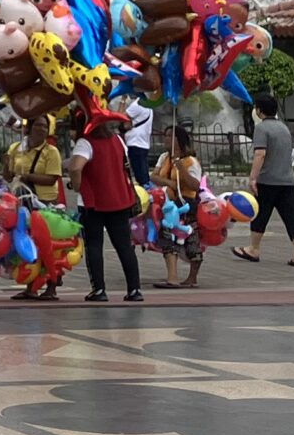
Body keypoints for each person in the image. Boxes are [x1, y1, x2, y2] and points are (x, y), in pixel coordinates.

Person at [74, 104, 142, 302]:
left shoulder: (85, 143)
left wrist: (76, 185)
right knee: (124, 246)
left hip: (93, 202)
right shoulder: (117, 140)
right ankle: (134, 289)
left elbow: (77, 167)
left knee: (94, 245)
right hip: (119, 199)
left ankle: (99, 289)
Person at [236, 90, 294, 268]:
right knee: (292, 218)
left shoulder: (261, 128)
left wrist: (253, 178)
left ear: (259, 111)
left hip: (268, 181)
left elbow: (260, 154)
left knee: (260, 215)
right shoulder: (284, 128)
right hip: (287, 181)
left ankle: (253, 249)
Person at [3, 114, 66, 301]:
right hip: (22, 202)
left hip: (44, 203)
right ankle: (31, 285)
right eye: (38, 125)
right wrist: (6, 165)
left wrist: (27, 177)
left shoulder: (51, 151)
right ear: (29, 127)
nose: (42, 130)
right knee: (29, 244)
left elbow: (53, 177)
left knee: (48, 244)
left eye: (46, 127)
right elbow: (8, 176)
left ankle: (52, 285)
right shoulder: (16, 149)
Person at [151, 125, 203, 291]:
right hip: (168, 205)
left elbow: (195, 185)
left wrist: (181, 170)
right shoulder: (164, 157)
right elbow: (154, 176)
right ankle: (172, 277)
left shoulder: (190, 162)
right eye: (165, 136)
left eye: (169, 136)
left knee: (191, 238)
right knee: (167, 235)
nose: (165, 139)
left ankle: (192, 277)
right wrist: (169, 183)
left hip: (186, 203)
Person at [121, 97, 156, 191]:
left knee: (141, 178)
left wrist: (122, 100)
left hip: (135, 142)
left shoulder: (137, 105)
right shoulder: (148, 103)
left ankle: (147, 197)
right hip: (143, 143)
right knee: (143, 175)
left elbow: (119, 117)